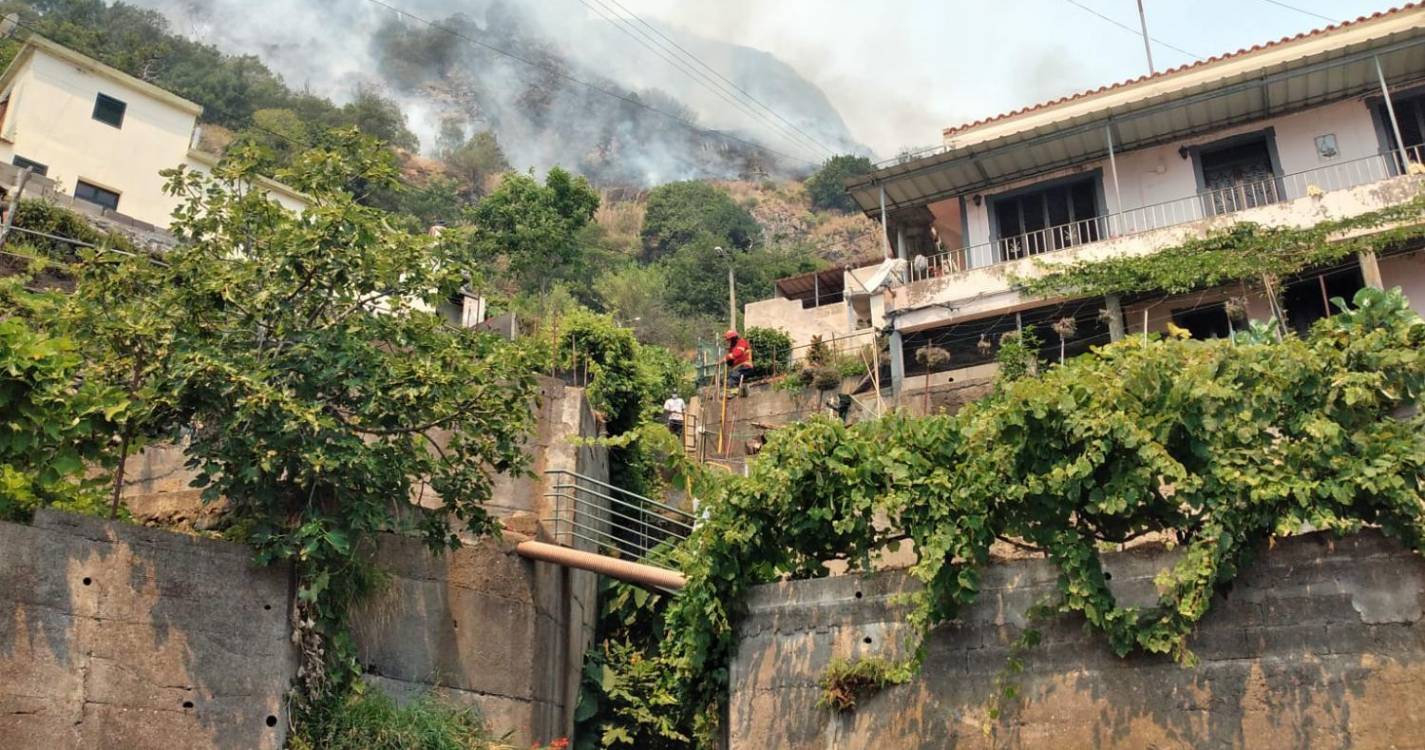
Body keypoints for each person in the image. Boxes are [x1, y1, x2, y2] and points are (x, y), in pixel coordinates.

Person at [723, 329, 753, 393]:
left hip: (745, 367)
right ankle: (733, 391)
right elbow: (732, 359)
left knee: (732, 379)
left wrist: (726, 358)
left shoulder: (742, 342)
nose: (729, 341)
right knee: (726, 380)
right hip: (738, 368)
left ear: (734, 337)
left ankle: (733, 393)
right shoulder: (732, 347)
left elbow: (737, 353)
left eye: (730, 339)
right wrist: (729, 361)